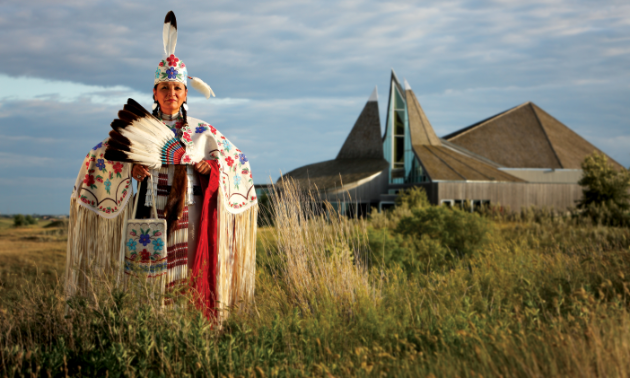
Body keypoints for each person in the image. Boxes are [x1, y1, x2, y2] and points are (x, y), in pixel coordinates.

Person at [65, 11, 258, 321]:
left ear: (185, 94)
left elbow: (237, 162)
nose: (171, 94)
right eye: (164, 88)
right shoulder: (141, 128)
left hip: (189, 212)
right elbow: (100, 158)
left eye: (177, 89)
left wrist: (212, 168)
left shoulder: (202, 132)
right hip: (150, 210)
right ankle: (152, 325)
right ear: (154, 93)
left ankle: (188, 324)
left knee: (189, 267)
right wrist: (131, 171)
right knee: (151, 273)